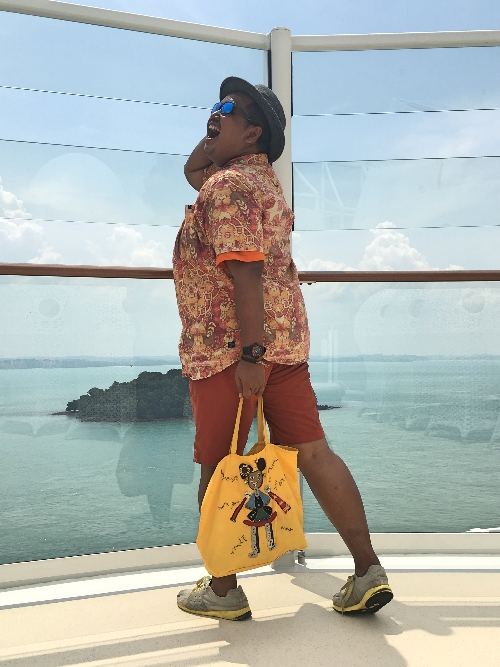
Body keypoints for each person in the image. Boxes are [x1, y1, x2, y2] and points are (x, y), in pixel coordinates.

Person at [173, 76, 393, 620]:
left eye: (228, 108)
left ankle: (223, 591)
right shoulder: (260, 182)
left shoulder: (228, 188)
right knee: (314, 453)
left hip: (231, 353)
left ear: (253, 134)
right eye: (214, 105)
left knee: (219, 467)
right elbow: (194, 170)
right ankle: (367, 570)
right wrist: (218, 126)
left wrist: (250, 358)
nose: (214, 112)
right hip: (285, 346)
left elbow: (245, 276)